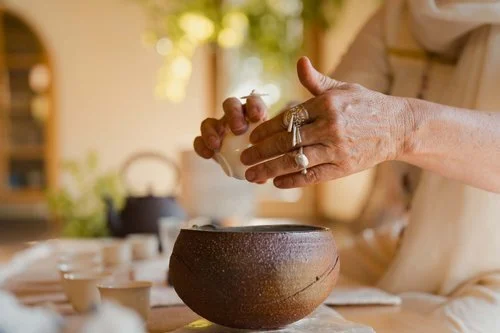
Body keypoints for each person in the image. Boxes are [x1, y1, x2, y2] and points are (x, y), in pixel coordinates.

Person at [194, 0, 500, 331]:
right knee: (261, 285)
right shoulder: (398, 15)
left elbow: (382, 121)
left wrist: (403, 126)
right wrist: (260, 134)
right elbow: (335, 110)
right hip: (406, 245)